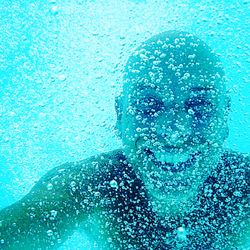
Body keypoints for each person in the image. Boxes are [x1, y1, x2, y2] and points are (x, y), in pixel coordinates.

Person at [0, 30, 249, 250]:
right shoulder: (87, 186)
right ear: (120, 115)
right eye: (149, 105)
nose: (174, 134)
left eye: (200, 105)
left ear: (224, 116)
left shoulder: (244, 186)